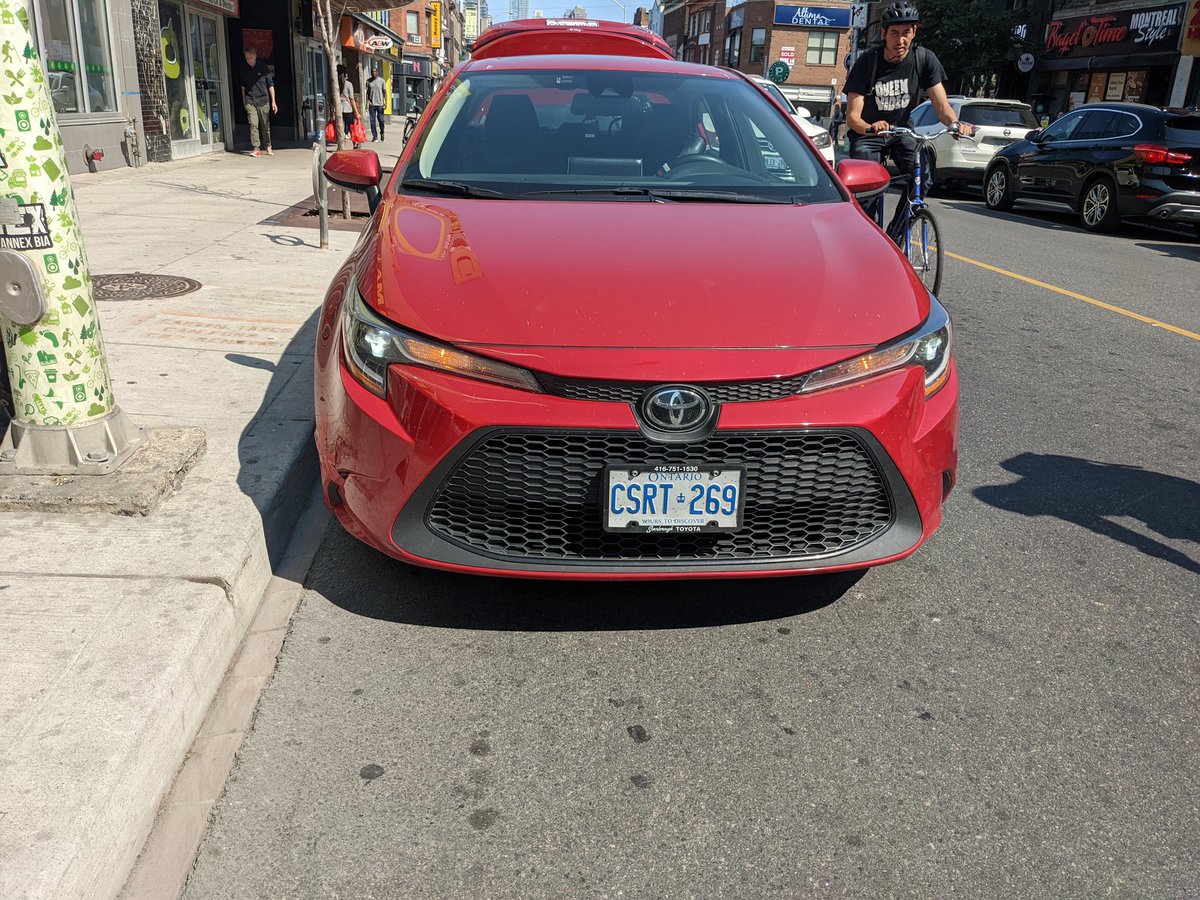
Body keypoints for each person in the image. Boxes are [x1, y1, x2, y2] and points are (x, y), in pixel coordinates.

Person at [843, 1, 974, 226]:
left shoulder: (924, 59)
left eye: (906, 33)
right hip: (869, 135)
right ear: (883, 34)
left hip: (902, 131)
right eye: (894, 33)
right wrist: (870, 127)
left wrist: (954, 124)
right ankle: (869, 232)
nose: (900, 40)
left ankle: (897, 232)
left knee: (921, 177)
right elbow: (852, 117)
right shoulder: (867, 62)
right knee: (869, 187)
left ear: (914, 33)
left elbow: (941, 105)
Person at [239, 46, 276, 157]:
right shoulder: (243, 68)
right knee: (253, 124)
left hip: (263, 99)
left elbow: (270, 85)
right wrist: (244, 100)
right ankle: (256, 148)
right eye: (247, 58)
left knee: (265, 125)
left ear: (255, 56)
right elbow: (243, 87)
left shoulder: (263, 68)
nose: (249, 60)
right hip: (250, 100)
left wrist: (273, 101)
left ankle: (268, 145)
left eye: (250, 57)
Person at [339, 68, 363, 148]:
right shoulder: (348, 84)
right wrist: (356, 112)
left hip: (339, 109)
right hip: (347, 108)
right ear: (346, 75)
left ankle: (341, 144)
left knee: (340, 127)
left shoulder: (335, 84)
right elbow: (351, 99)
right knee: (352, 127)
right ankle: (355, 143)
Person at [366, 66, 387, 142]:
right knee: (372, 121)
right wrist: (366, 104)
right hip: (372, 104)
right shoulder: (368, 81)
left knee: (381, 120)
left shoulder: (382, 81)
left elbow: (385, 93)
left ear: (377, 72)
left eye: (375, 71)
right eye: (372, 71)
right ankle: (375, 136)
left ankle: (382, 132)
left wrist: (386, 103)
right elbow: (367, 94)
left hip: (380, 104)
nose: (373, 73)